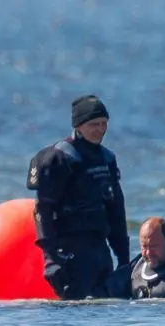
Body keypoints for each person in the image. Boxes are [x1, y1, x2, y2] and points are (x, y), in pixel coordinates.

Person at [27, 95, 130, 299]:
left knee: (106, 309)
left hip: (100, 251)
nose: (100, 129)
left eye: (104, 123)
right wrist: (50, 259)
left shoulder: (107, 159)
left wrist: (124, 259)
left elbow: (116, 211)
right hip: (70, 255)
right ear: (78, 125)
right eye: (94, 124)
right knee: (77, 310)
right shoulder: (60, 158)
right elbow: (43, 210)